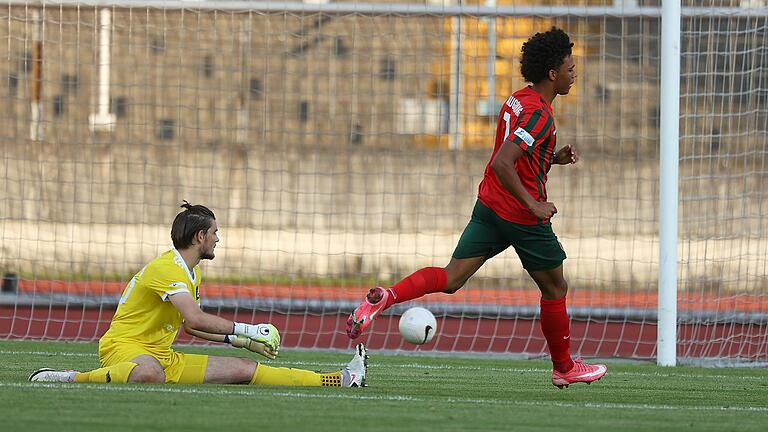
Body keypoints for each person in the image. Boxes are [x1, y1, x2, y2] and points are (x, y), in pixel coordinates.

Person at [346, 27, 605, 389]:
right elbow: (503, 161)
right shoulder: (541, 115)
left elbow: (519, 158)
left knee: (452, 278)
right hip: (521, 215)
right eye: (570, 68)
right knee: (555, 288)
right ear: (552, 73)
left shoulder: (517, 100)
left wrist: (553, 158)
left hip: (491, 205)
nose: (573, 73)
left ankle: (386, 297)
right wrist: (534, 204)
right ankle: (564, 367)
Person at [30, 202, 367, 388]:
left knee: (245, 369)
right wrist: (247, 330)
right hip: (125, 349)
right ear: (200, 236)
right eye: (215, 233)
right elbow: (194, 318)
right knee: (148, 374)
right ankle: (71, 377)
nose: (219, 239)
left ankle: (339, 379)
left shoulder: (192, 271)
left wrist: (240, 344)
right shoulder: (167, 268)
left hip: (162, 356)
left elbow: (191, 328)